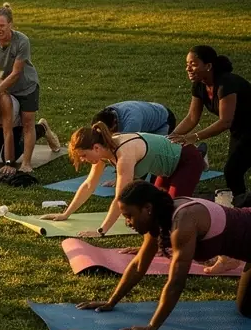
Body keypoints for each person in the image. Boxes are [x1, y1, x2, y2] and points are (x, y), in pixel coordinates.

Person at [77, 179, 251, 330]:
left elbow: (176, 282)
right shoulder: (158, 219)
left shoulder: (184, 221)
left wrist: (152, 327)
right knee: (246, 308)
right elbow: (139, 265)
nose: (128, 223)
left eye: (129, 215)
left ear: (147, 208)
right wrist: (111, 301)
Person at [42, 121, 205, 238]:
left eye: (84, 156)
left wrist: (101, 231)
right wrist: (66, 214)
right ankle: (152, 247)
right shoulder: (103, 152)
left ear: (96, 148)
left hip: (187, 160)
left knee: (172, 212)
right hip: (166, 168)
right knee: (156, 212)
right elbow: (89, 185)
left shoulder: (124, 155)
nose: (83, 160)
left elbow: (120, 197)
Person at [170, 46, 251, 202]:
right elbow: (192, 117)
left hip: (247, 129)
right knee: (234, 171)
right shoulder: (199, 85)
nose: (188, 68)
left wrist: (193, 137)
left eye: (193, 64)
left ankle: (242, 207)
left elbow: (225, 121)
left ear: (208, 66)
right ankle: (243, 206)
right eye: (187, 64)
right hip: (240, 130)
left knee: (232, 170)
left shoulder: (226, 83)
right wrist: (172, 136)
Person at [0, 4, 42, 174]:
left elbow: (16, 73)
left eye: (1, 25)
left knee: (27, 123)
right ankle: (7, 144)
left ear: (11, 25)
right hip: (4, 86)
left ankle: (27, 160)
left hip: (25, 86)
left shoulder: (22, 41)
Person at [93, 100, 177, 137]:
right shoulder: (107, 113)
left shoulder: (131, 123)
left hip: (164, 122)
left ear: (115, 123)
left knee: (151, 158)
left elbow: (126, 147)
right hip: (149, 112)